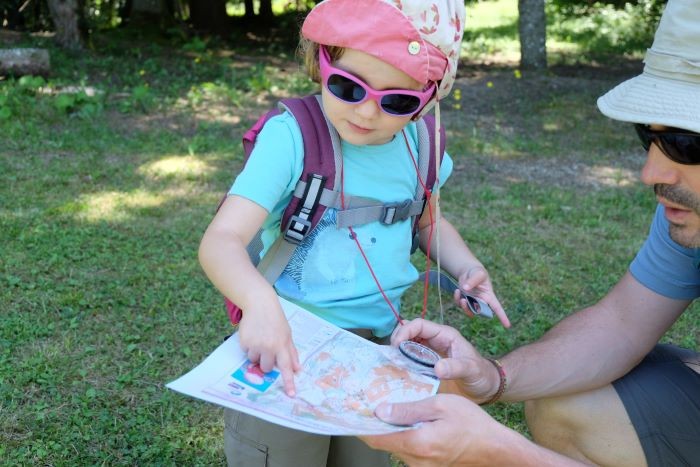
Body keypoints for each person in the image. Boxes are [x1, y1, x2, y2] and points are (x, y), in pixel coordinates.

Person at [361, 0, 700, 465]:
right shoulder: (687, 215)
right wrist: (493, 376)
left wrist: (499, 453)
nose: (651, 172)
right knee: (567, 401)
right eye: (649, 136)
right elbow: (622, 322)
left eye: (686, 144)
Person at [198, 1, 509, 465]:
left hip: (376, 353)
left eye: (397, 101)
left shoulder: (419, 146)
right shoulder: (291, 139)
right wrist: (261, 308)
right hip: (285, 349)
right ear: (320, 62)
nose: (366, 112)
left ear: (428, 98)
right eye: (347, 86)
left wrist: (466, 267)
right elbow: (220, 242)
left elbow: (427, 221)